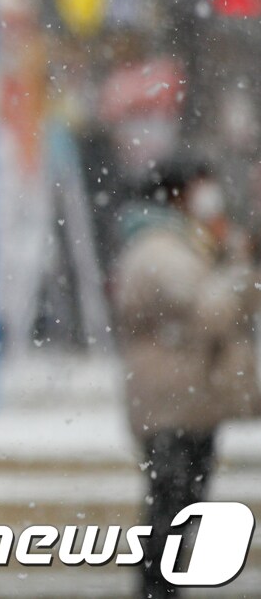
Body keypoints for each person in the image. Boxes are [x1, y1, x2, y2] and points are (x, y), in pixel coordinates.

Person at [113, 155, 261, 599]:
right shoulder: (158, 248)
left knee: (182, 508)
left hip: (190, 404)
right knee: (171, 510)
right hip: (169, 406)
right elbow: (209, 307)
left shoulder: (187, 243)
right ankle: (156, 591)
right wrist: (243, 269)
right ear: (176, 193)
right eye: (200, 187)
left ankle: (161, 588)